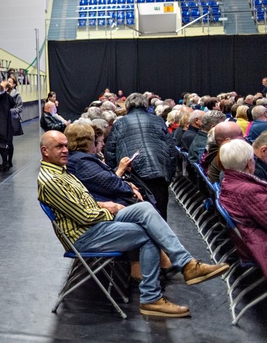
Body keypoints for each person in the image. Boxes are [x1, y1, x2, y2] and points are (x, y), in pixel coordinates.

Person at [38, 130, 229, 318]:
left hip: (94, 224)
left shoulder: (61, 170)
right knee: (147, 234)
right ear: (45, 151)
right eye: (59, 147)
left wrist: (102, 204)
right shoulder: (52, 180)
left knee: (144, 208)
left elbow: (80, 202)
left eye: (66, 146)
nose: (65, 150)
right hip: (85, 235)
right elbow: (85, 216)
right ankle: (151, 298)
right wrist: (112, 208)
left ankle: (187, 264)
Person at [104, 93, 179, 219]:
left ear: (127, 106)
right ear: (146, 105)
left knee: (139, 215)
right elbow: (171, 149)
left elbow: (110, 152)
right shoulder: (158, 120)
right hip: (159, 172)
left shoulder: (119, 123)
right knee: (160, 214)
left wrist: (116, 174)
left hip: (134, 175)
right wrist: (169, 175)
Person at [218, 139, 267, 276]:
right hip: (258, 244)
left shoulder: (228, 181)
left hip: (249, 240)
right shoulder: (248, 191)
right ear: (249, 163)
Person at [0, 76, 22, 172]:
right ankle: (7, 162)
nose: (7, 82)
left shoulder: (10, 96)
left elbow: (18, 108)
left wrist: (8, 112)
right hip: (2, 121)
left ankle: (6, 162)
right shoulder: (3, 96)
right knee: (6, 142)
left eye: (10, 81)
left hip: (8, 121)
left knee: (5, 143)